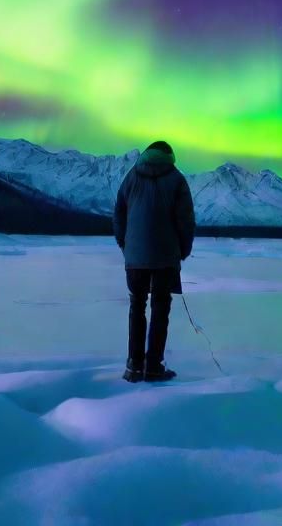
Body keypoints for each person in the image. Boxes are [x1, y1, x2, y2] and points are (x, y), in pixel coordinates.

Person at [113, 140, 196, 382]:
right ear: (169, 156)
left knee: (136, 307)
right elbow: (186, 220)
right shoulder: (176, 180)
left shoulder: (131, 177)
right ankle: (153, 366)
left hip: (135, 258)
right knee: (160, 309)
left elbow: (119, 212)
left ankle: (134, 366)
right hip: (165, 257)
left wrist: (124, 243)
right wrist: (183, 249)